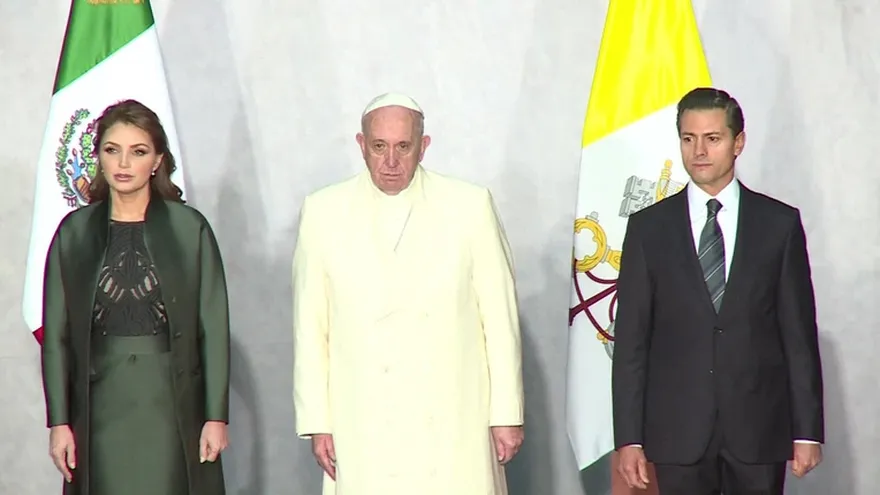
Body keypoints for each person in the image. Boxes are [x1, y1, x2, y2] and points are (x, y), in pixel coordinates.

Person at [292, 93, 525, 494]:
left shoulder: (469, 205)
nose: (391, 162)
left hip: (454, 417)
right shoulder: (323, 211)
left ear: (424, 146)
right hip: (363, 417)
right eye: (379, 147)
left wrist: (506, 413)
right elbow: (310, 327)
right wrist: (317, 422)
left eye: (404, 146)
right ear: (362, 145)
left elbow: (500, 320)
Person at [611, 87, 825, 495]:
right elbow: (632, 344)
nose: (699, 151)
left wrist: (808, 431)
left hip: (759, 428)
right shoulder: (648, 229)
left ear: (737, 142)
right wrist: (629, 438)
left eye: (713, 138)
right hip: (677, 431)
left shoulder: (778, 225)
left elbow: (797, 334)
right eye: (689, 139)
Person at [41, 99, 231, 495]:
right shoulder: (73, 234)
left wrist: (215, 416)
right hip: (99, 408)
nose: (123, 163)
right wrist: (59, 422)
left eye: (138, 151)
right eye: (112, 150)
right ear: (99, 158)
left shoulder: (188, 229)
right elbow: (57, 338)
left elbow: (213, 327)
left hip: (171, 405)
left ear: (158, 160)